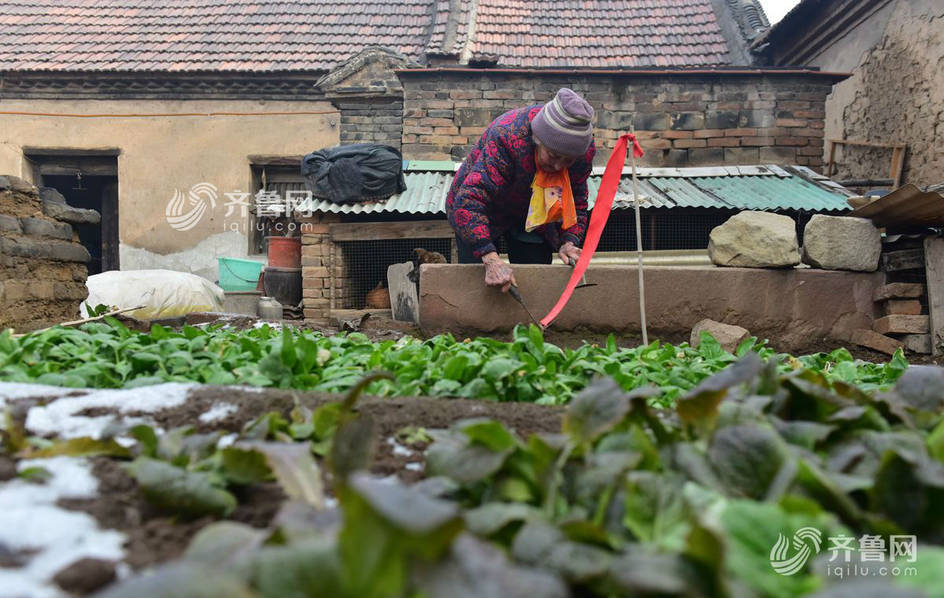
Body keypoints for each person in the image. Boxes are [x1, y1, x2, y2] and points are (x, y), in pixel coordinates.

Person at [445, 88, 596, 292]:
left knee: (533, 278)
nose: (559, 167)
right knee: (480, 283)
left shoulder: (581, 155)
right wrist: (490, 258)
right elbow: (469, 203)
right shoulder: (508, 138)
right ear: (537, 141)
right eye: (552, 155)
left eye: (567, 160)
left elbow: (576, 200)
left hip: (534, 212)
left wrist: (569, 241)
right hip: (481, 208)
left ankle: (530, 323)